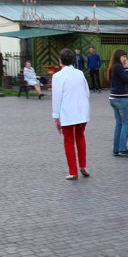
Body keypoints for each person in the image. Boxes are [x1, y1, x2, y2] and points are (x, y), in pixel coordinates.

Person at [51, 48, 92, 180]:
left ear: (60, 61)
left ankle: (73, 171)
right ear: (73, 60)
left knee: (68, 141)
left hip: (67, 111)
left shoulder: (57, 76)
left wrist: (56, 116)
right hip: (81, 110)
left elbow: (56, 97)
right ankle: (83, 166)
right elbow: (87, 92)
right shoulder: (79, 73)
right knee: (80, 137)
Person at [107, 48, 128, 157]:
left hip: (113, 98)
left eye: (126, 56)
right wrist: (127, 69)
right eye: (123, 56)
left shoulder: (112, 67)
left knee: (118, 123)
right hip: (121, 98)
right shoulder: (119, 67)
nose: (125, 59)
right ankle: (123, 148)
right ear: (118, 57)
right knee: (126, 123)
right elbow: (127, 80)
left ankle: (116, 149)